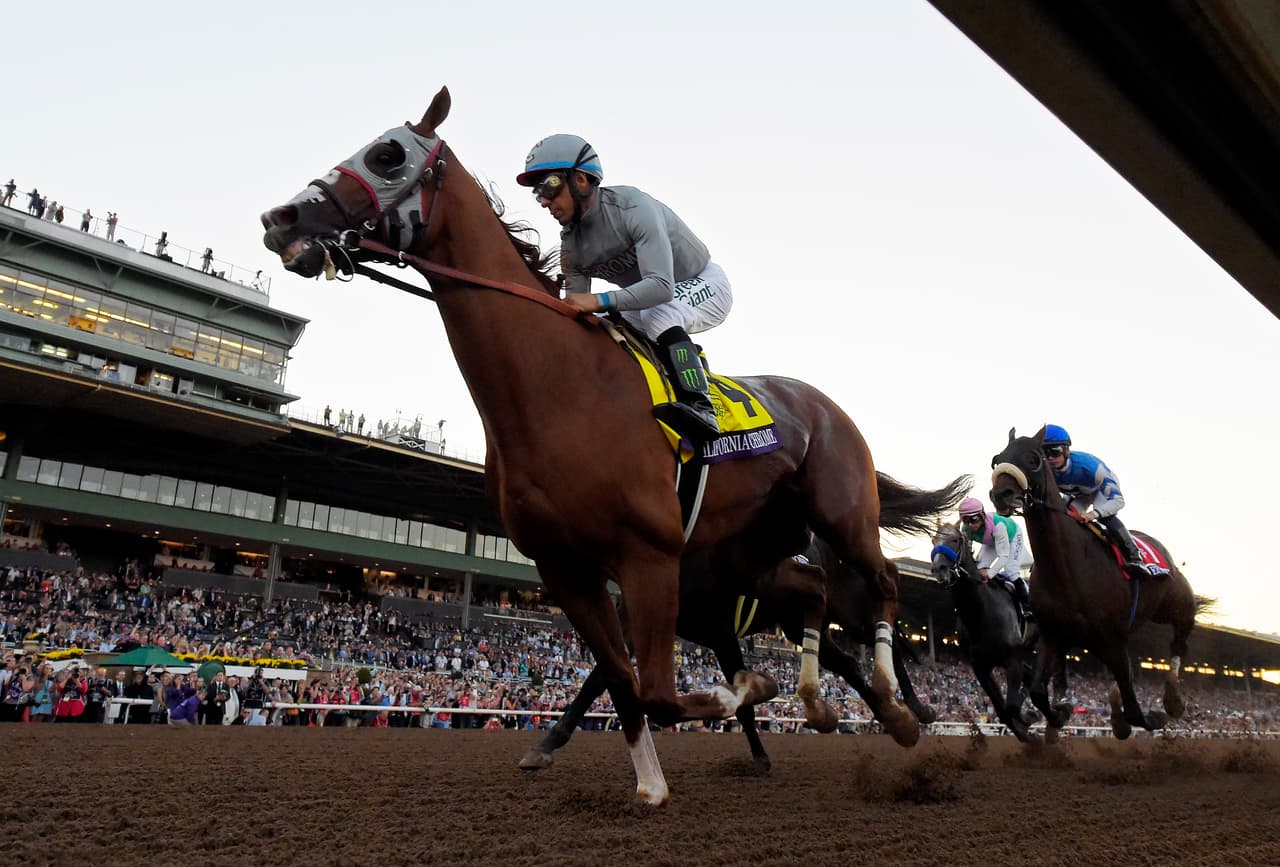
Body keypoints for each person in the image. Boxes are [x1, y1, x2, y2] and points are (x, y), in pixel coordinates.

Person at [516, 134, 733, 439]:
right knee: (601, 329)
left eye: (549, 186)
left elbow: (660, 287)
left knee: (660, 314)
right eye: (538, 193)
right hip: (649, 301)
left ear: (580, 180)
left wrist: (598, 300)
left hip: (701, 282)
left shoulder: (633, 208)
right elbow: (576, 309)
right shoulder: (572, 245)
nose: (545, 201)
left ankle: (700, 406)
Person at [1042, 424, 1163, 577]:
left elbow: (1118, 501)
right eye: (1045, 453)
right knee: (1060, 518)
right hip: (1079, 494)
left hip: (1101, 490)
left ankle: (1135, 558)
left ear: (1066, 450)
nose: (1050, 458)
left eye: (1055, 451)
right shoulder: (1047, 470)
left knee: (1106, 517)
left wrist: (1093, 514)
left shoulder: (1091, 468)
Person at [958, 497, 1031, 618]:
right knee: (978, 568)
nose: (970, 524)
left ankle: (1026, 605)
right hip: (991, 542)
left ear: (982, 515)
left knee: (1011, 570)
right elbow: (968, 554)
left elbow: (1003, 557)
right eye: (965, 520)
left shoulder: (998, 526)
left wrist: (990, 574)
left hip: (1011, 537)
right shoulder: (965, 529)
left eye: (974, 519)